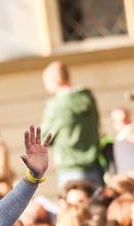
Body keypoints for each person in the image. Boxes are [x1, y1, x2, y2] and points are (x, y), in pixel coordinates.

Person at [40, 60, 102, 188]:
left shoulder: (56, 105)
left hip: (71, 169)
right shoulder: (87, 98)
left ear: (53, 82)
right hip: (95, 166)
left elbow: (42, 138)